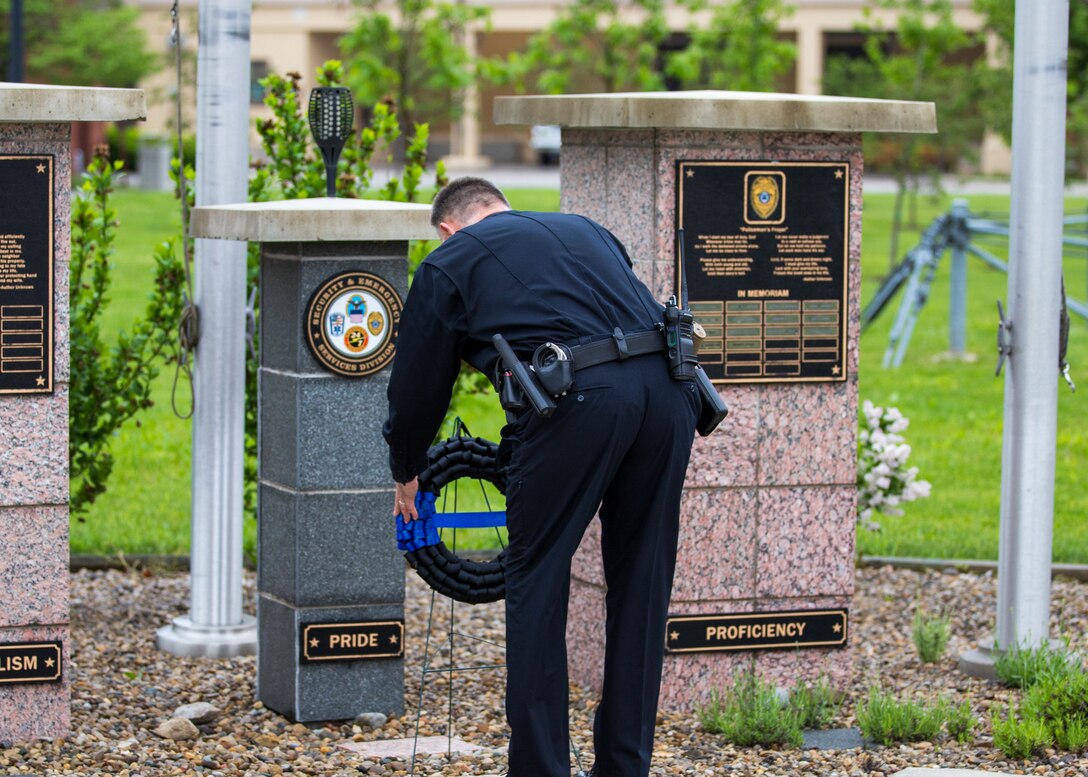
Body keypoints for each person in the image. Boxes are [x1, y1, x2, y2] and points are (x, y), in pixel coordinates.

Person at [383, 178, 699, 777]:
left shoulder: (449, 261)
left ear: (448, 227)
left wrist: (408, 467)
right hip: (670, 392)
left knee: (537, 575)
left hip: (579, 402)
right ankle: (625, 768)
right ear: (499, 207)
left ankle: (541, 770)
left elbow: (418, 383)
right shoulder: (585, 230)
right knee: (642, 583)